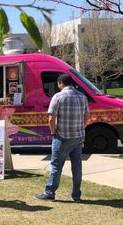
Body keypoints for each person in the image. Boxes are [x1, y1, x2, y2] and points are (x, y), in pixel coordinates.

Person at [36, 73, 89, 202]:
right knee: (77, 166)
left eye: (58, 84)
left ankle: (50, 192)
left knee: (56, 165)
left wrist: (53, 132)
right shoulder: (82, 97)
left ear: (61, 83)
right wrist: (81, 127)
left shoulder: (58, 97)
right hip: (78, 136)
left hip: (62, 136)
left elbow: (50, 118)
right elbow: (87, 116)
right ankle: (76, 195)